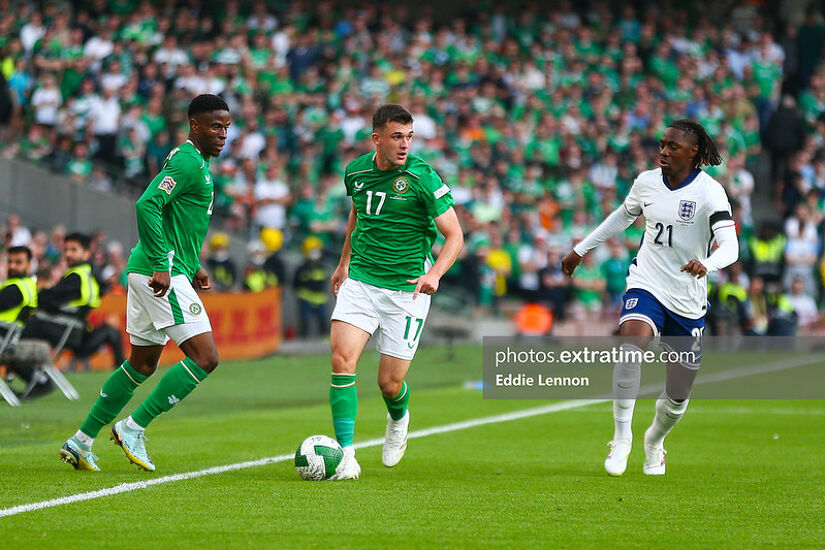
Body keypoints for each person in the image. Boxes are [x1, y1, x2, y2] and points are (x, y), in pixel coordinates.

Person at [59, 94, 230, 472]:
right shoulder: (187, 161)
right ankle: (132, 428)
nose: (223, 134)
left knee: (141, 364)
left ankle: (82, 440)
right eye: (216, 126)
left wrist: (194, 263)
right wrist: (162, 263)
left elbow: (176, 221)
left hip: (158, 269)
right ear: (194, 125)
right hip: (159, 272)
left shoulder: (195, 163)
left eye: (227, 127)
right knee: (206, 358)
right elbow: (147, 204)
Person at [562, 120, 739, 476]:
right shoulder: (645, 183)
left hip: (687, 297)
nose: (664, 151)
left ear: (693, 152)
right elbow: (621, 218)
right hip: (647, 280)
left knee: (677, 395)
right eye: (662, 144)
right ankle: (621, 438)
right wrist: (581, 249)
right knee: (632, 342)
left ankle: (654, 441)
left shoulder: (710, 192)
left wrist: (707, 264)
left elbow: (731, 246)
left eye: (673, 146)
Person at [327, 104, 463, 480]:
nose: (404, 145)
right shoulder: (355, 171)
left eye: (409, 137)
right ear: (377, 139)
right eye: (396, 137)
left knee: (389, 382)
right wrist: (343, 263)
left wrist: (435, 273)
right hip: (361, 283)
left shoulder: (422, 176)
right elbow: (359, 214)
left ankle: (399, 416)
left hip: (407, 291)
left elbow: (455, 235)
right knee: (342, 362)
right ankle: (346, 455)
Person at [0, 246, 52, 399]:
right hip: (9, 341)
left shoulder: (15, 289)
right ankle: (40, 381)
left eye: (18, 262)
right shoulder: (27, 285)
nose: (12, 266)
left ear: (29, 265)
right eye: (9, 261)